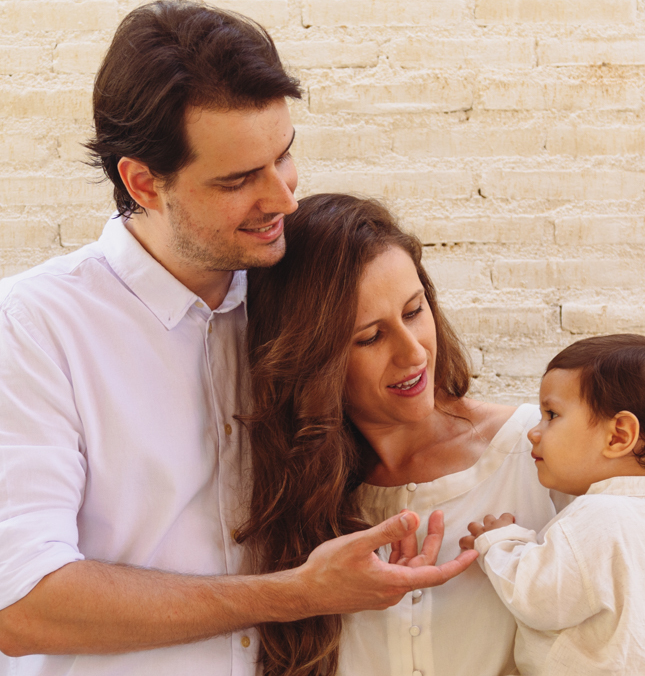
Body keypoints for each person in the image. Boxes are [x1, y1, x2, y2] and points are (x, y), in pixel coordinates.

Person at [0, 0, 474, 676]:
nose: (283, 199)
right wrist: (293, 595)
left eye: (284, 156)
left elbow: (409, 420)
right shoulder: (34, 328)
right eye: (240, 180)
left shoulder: (297, 300)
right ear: (143, 183)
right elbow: (25, 606)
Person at [240, 193, 568, 676]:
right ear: (311, 362)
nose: (413, 353)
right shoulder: (287, 495)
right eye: (371, 337)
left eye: (414, 311)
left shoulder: (542, 453)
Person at [461, 334, 645, 675]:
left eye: (551, 414)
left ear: (618, 436)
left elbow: (537, 596)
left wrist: (501, 543)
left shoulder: (599, 516)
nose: (533, 432)